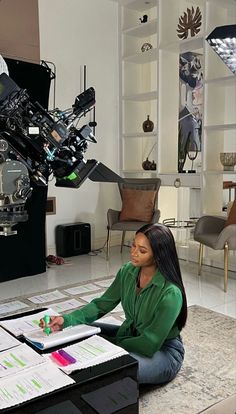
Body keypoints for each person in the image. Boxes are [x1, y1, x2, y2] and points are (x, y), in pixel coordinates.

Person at [40, 223, 187, 385]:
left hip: (161, 351)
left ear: (158, 255)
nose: (133, 252)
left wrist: (107, 344)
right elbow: (100, 305)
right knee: (79, 329)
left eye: (142, 250)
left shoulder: (170, 293)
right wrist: (66, 320)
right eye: (133, 245)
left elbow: (149, 344)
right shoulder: (127, 271)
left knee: (113, 371)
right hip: (131, 335)